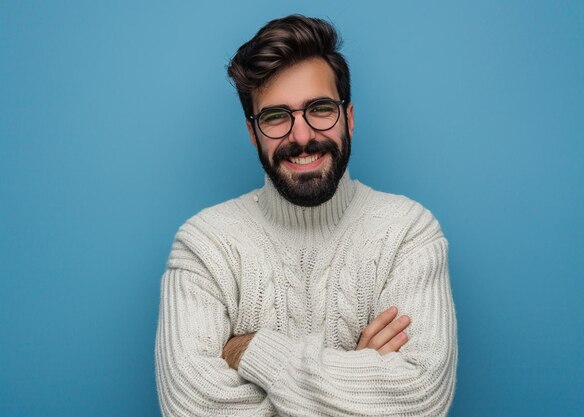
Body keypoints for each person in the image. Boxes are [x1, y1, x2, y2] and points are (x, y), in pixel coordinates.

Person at [155, 14, 457, 417]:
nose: (301, 137)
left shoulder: (408, 233)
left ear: (348, 118)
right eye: (276, 117)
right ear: (252, 133)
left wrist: (250, 349)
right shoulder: (204, 245)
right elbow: (189, 408)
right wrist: (354, 383)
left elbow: (420, 400)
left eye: (319, 108)